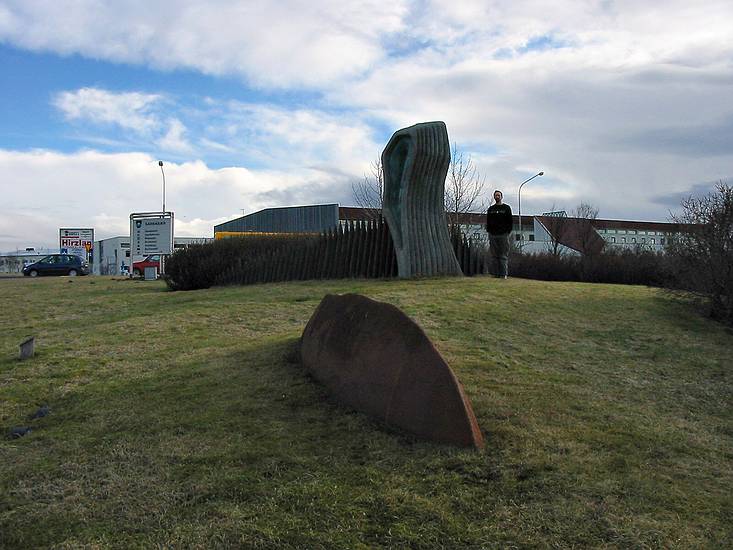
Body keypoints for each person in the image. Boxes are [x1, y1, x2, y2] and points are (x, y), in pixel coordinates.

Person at [486, 190, 513, 278]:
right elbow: (488, 221)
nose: (497, 197)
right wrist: (489, 231)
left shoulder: (506, 208)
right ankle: (495, 274)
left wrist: (507, 231)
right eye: (496, 195)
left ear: (501, 197)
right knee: (494, 256)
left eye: (498, 195)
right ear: (494, 197)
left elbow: (510, 221)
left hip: (503, 235)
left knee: (503, 255)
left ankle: (503, 274)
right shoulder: (491, 209)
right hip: (493, 235)